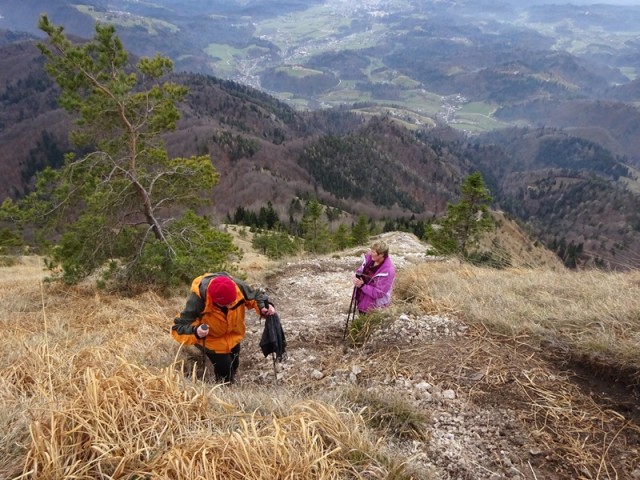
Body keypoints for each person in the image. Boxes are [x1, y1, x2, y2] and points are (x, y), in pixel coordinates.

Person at [171, 272, 275, 383]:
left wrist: (265, 308)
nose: (229, 306)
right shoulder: (198, 300)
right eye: (225, 304)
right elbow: (178, 328)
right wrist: (196, 331)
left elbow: (256, 296)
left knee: (234, 362)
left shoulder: (237, 286)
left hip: (234, 334)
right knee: (224, 370)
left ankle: (233, 375)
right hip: (212, 341)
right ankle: (224, 388)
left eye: (231, 302)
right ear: (213, 299)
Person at [352, 241, 396, 314]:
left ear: (381, 254)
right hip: (362, 298)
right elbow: (361, 269)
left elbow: (379, 292)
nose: (370, 253)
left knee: (369, 324)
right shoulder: (369, 259)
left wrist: (362, 286)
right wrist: (357, 276)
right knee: (361, 321)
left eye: (373, 252)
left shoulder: (388, 271)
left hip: (374, 307)